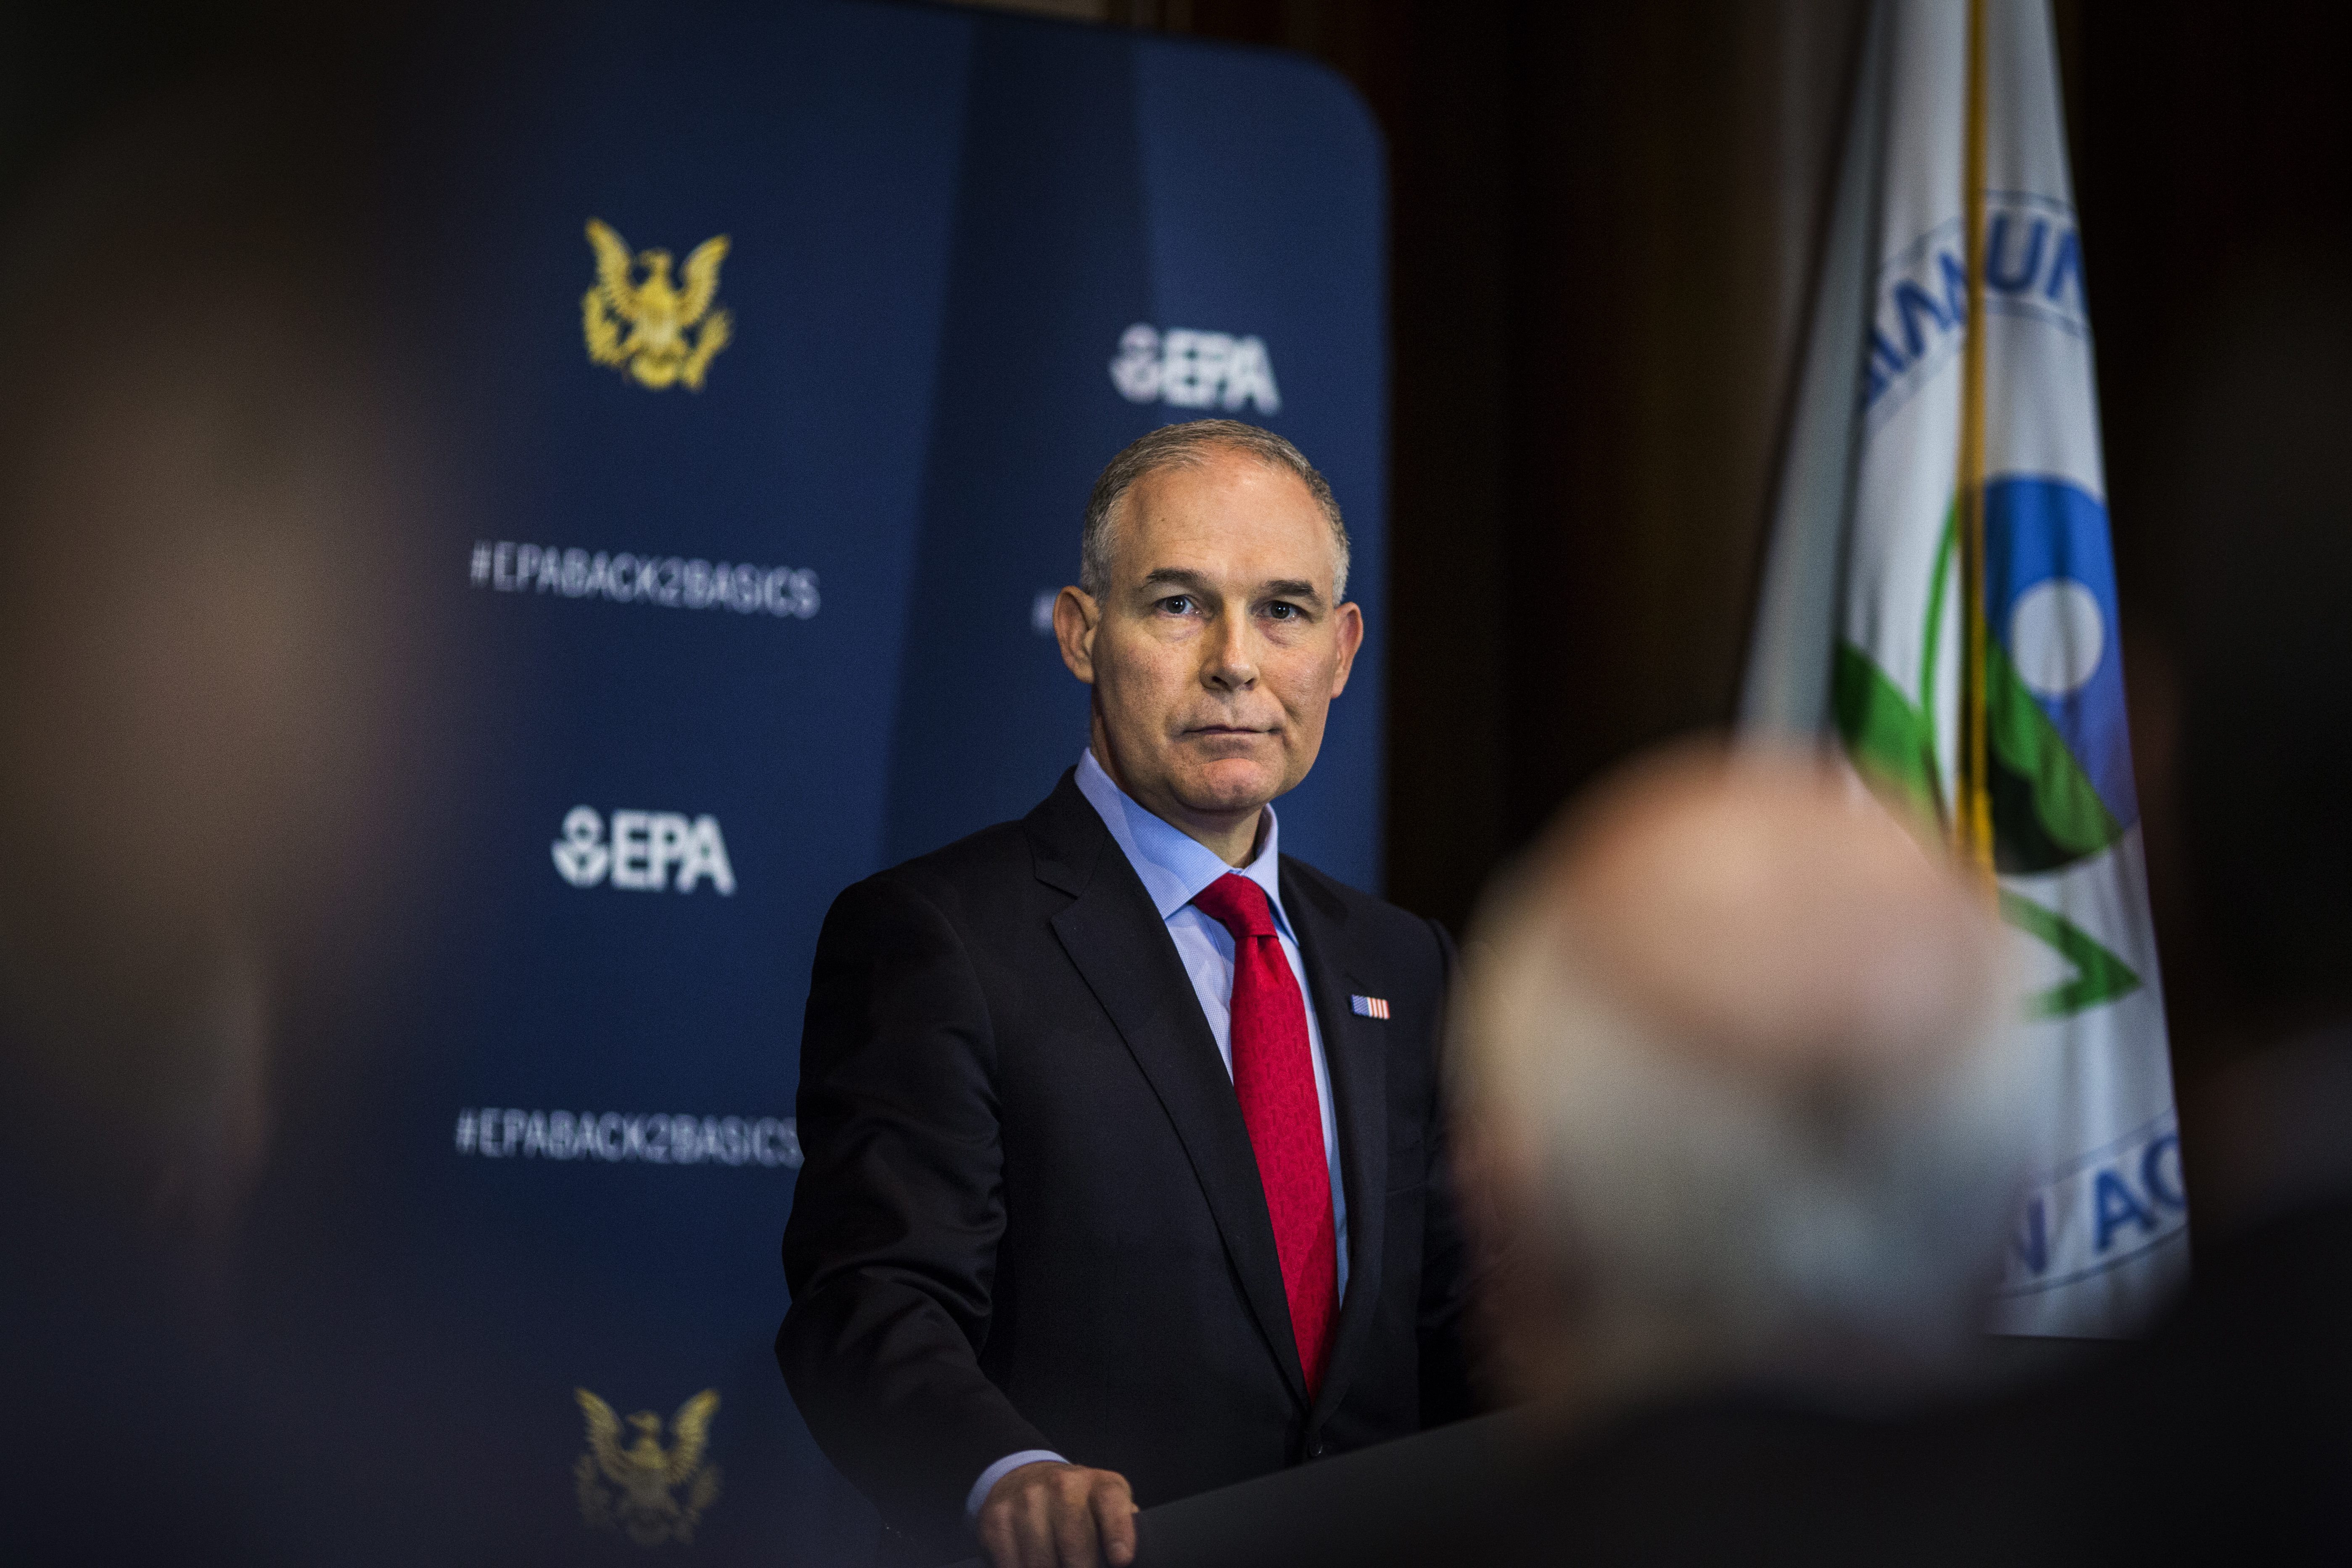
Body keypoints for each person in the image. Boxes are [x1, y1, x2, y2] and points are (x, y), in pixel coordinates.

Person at [777, 420, 1476, 1568]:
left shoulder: (1404, 964)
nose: (1236, 664)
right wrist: (1003, 1473)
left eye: (1283, 611)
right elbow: (870, 1304)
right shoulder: (937, 934)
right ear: (1081, 633)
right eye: (1179, 605)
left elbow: (1464, 1320)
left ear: (1341, 651)